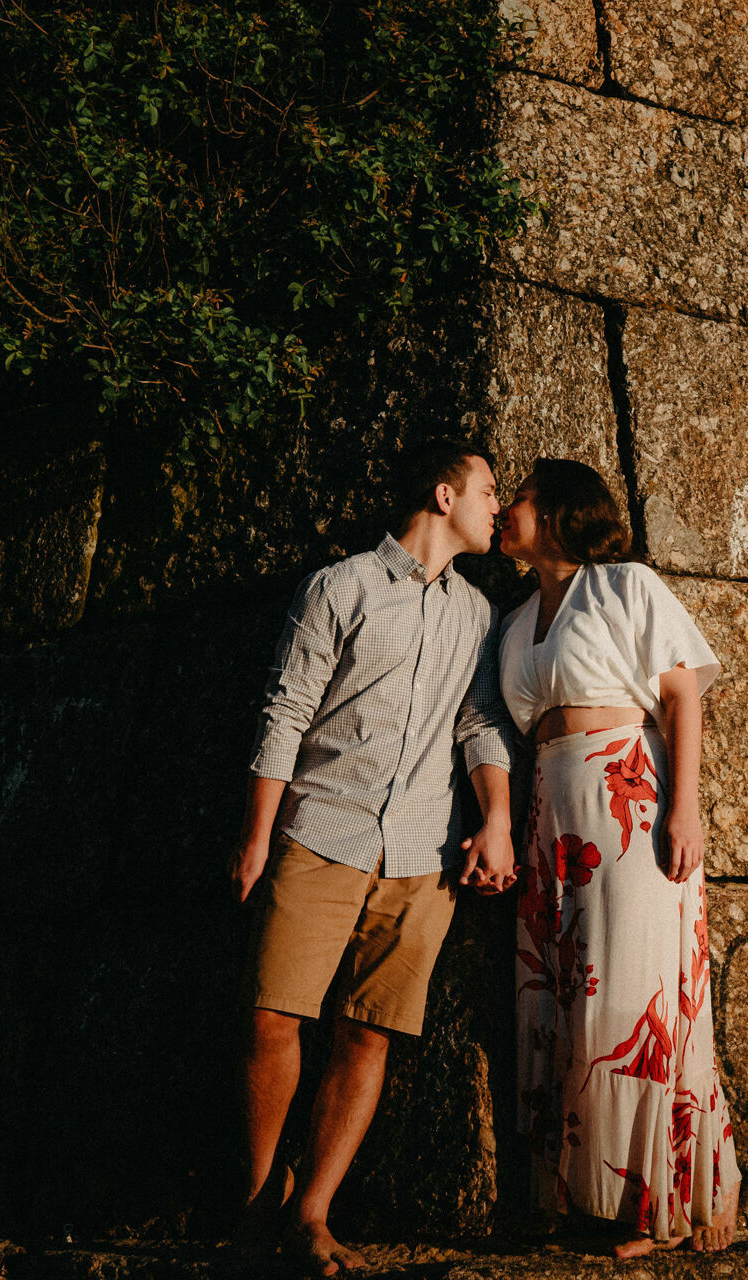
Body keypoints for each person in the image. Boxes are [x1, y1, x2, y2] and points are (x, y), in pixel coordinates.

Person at [229, 440, 520, 1276]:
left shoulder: (479, 615)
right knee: (271, 1016)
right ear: (443, 495)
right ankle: (258, 1201)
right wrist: (257, 837)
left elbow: (479, 724)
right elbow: (286, 711)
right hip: (322, 829)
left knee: (369, 1033)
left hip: (423, 850)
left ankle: (312, 1214)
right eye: (488, 491)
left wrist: (498, 819)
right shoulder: (340, 587)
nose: (498, 508)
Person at [495, 458, 743, 1257]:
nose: (504, 510)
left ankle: (665, 1200)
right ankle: (586, 1194)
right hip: (552, 813)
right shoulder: (515, 619)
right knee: (561, 995)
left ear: (557, 511)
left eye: (519, 498)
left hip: (628, 798)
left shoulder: (625, 584)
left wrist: (685, 808)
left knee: (632, 995)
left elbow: (681, 696)